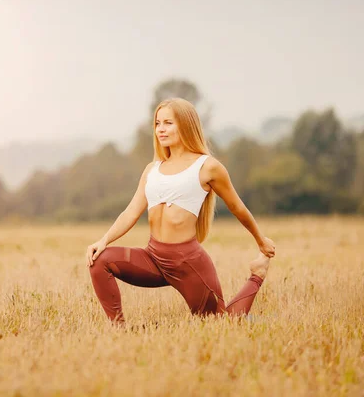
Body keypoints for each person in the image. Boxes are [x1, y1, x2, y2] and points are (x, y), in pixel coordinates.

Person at [86, 98, 276, 325]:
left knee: (220, 323)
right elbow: (131, 212)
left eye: (168, 123)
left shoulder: (208, 167)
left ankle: (257, 275)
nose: (161, 129)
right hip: (153, 258)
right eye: (157, 123)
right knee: (99, 260)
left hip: (188, 264)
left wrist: (261, 241)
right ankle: (118, 330)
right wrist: (103, 240)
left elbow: (238, 208)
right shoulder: (152, 170)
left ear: (185, 125)